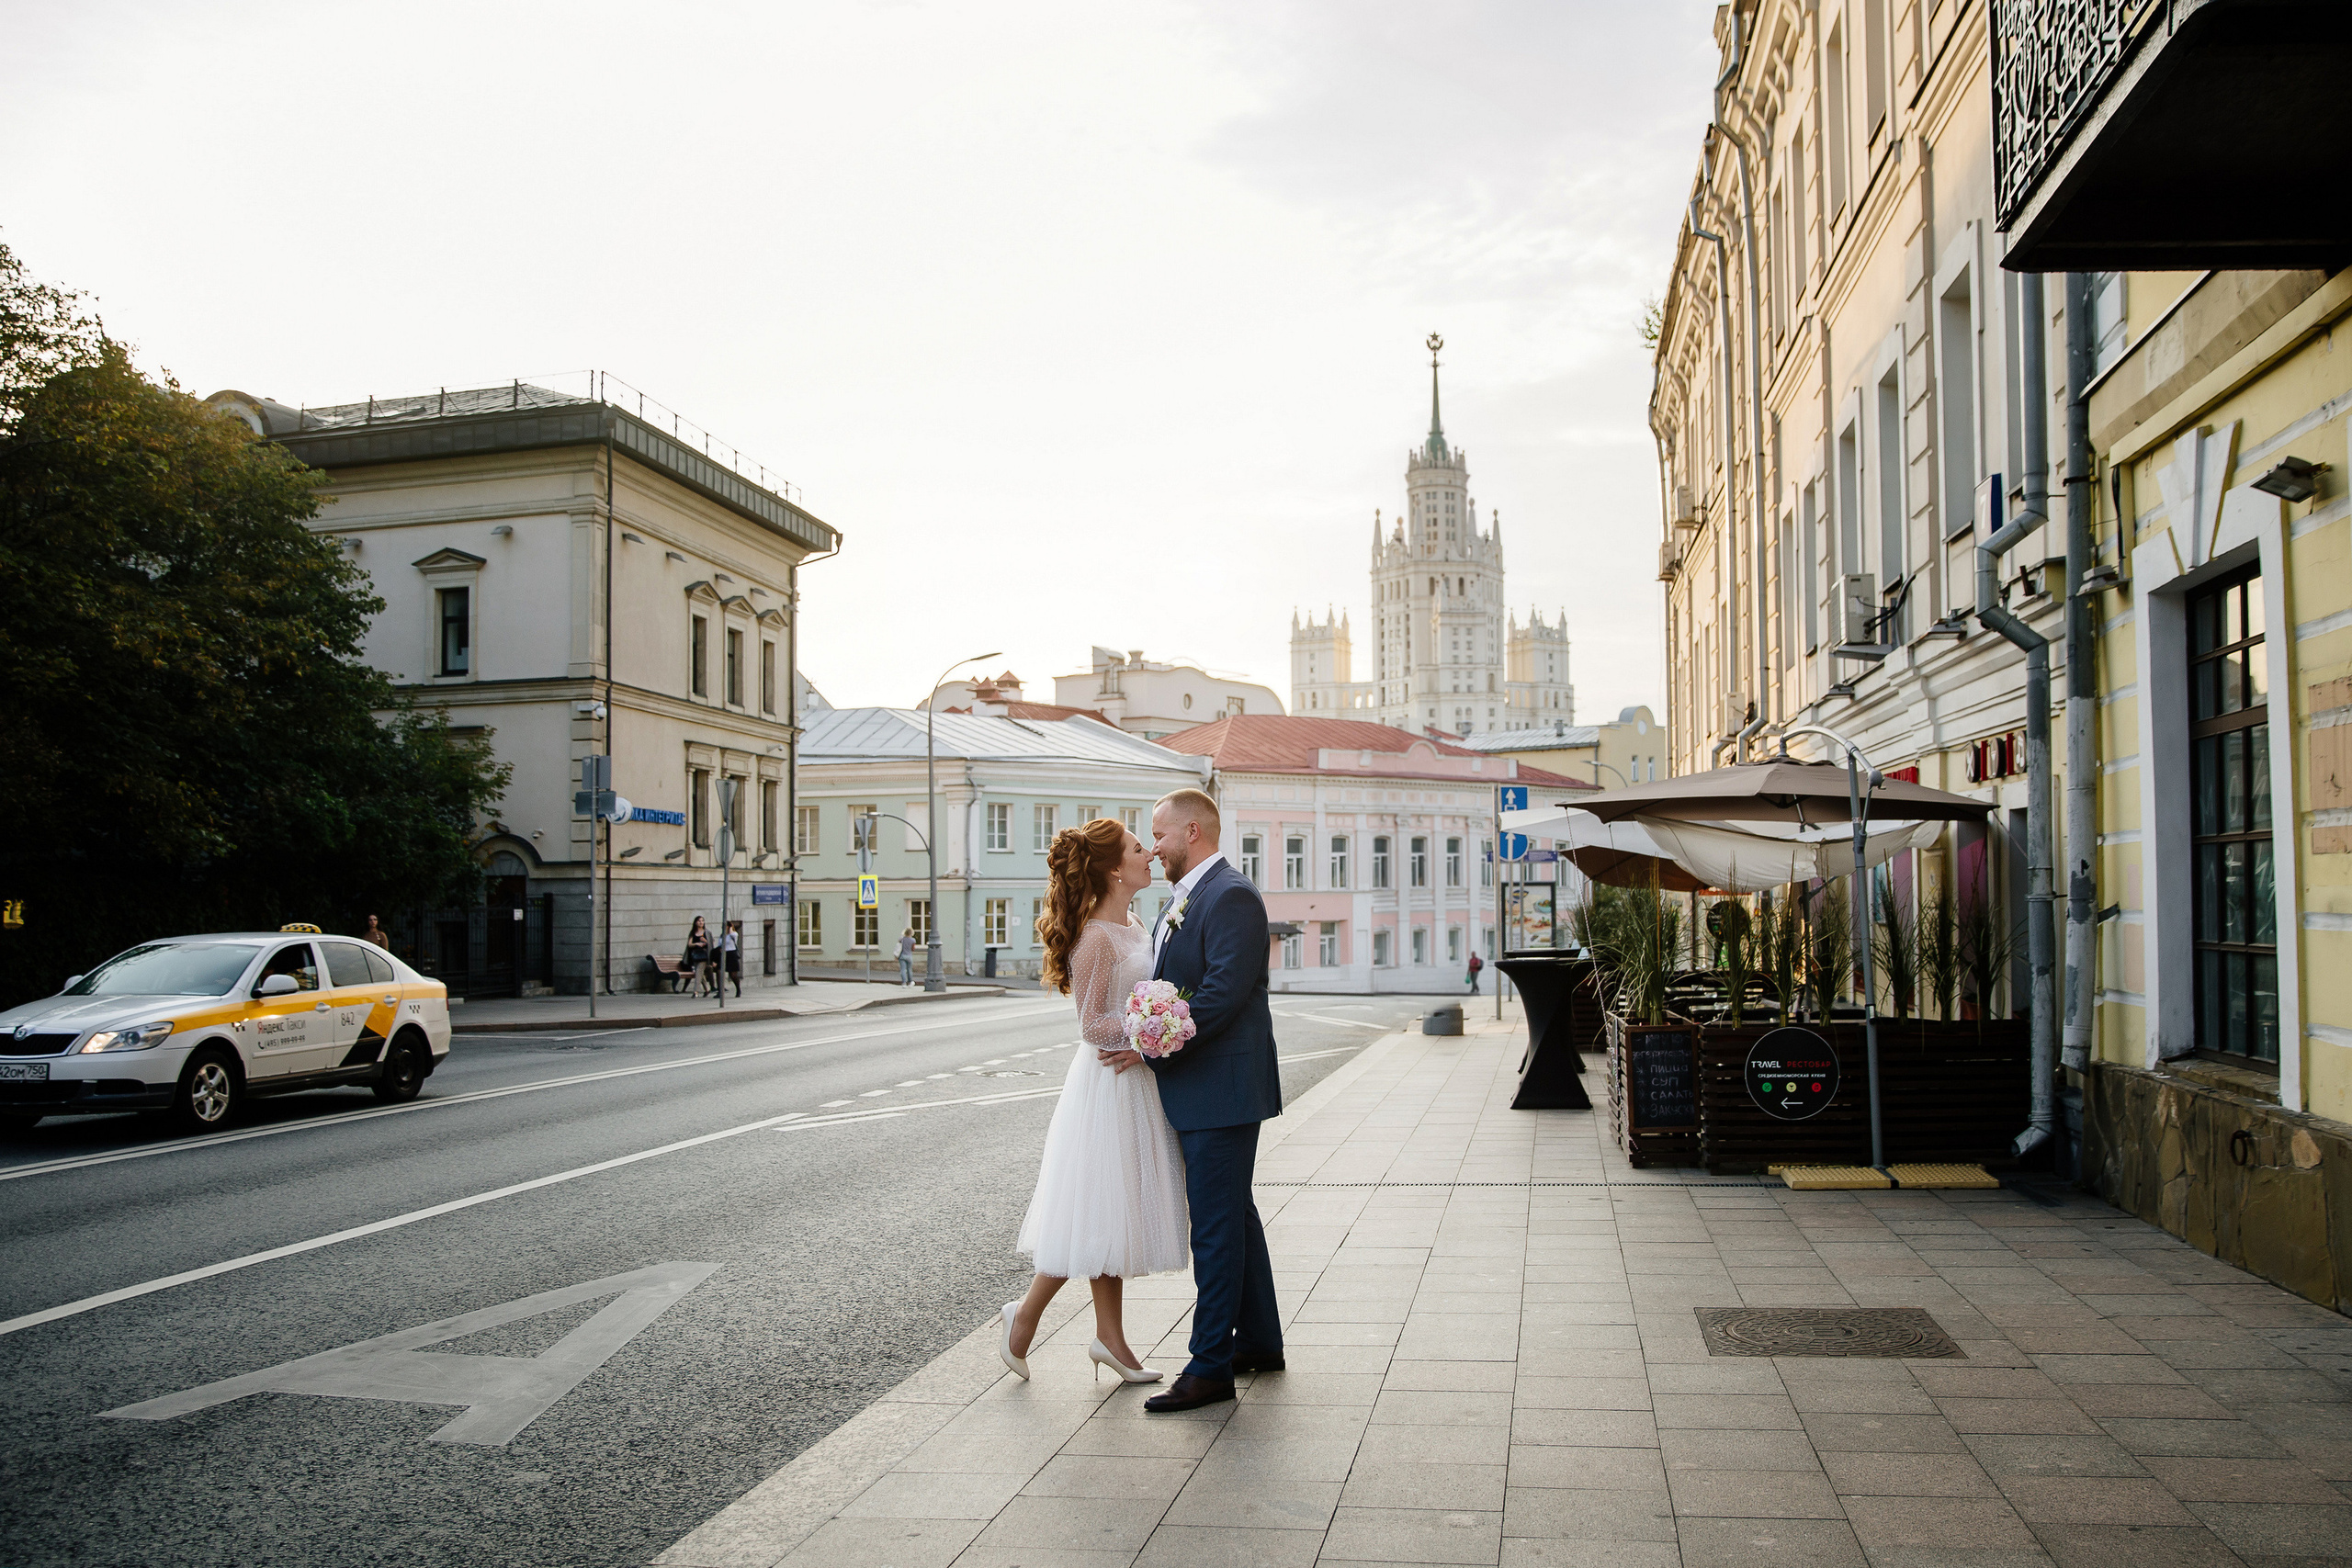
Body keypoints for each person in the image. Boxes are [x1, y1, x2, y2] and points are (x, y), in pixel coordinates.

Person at [1000, 818, 1187, 1387]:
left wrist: (1155, 1028)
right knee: (1096, 1207)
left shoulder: (1131, 922)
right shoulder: (1095, 938)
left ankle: (1100, 1336)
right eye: (1137, 849)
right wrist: (1149, 1030)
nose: (1148, 854)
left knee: (1109, 1211)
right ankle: (1036, 1319)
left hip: (1135, 1081)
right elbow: (1091, 1024)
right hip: (1107, 1084)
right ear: (1112, 867)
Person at [1129, 787, 1283, 1414]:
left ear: (1192, 831)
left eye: (1159, 834)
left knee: (1215, 1228)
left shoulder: (1232, 895)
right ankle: (1260, 1341)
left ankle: (1210, 1365)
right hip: (1209, 1086)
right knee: (1233, 1215)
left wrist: (1159, 1037)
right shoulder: (1190, 897)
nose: (1154, 845)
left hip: (1221, 1086)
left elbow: (1221, 992)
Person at [683, 917, 712, 997]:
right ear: (696, 922)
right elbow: (689, 944)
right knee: (700, 974)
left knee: (698, 972)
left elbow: (711, 944)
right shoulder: (693, 932)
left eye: (702, 921)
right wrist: (696, 944)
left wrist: (705, 941)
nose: (701, 922)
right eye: (699, 921)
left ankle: (696, 991)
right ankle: (707, 989)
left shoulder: (707, 932)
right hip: (695, 955)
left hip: (704, 956)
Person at [722, 920, 742, 998]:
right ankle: (720, 991)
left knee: (733, 974)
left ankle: (738, 989)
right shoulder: (723, 935)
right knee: (720, 971)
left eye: (726, 926)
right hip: (725, 954)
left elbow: (733, 934)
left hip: (732, 954)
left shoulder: (733, 934)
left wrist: (730, 928)